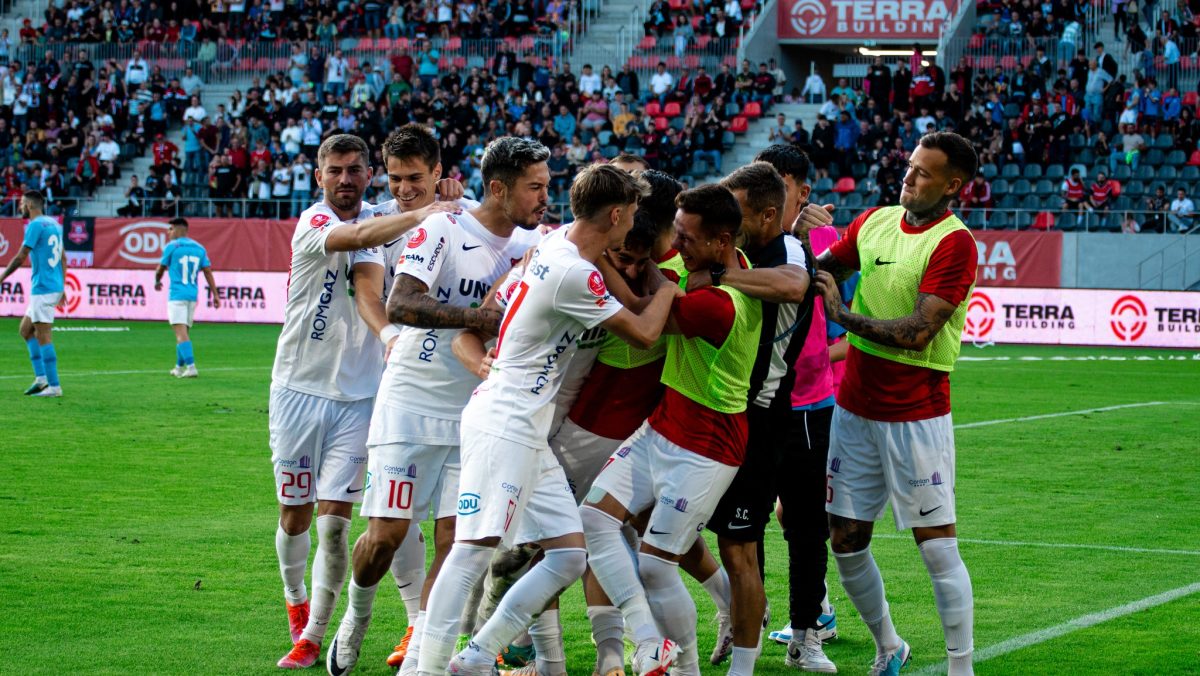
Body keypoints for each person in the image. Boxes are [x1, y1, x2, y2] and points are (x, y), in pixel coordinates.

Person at [418, 164, 680, 676]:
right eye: (632, 216)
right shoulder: (572, 271)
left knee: (568, 555)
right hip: (506, 421)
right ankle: (426, 669)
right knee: (473, 552)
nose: (635, 227)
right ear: (618, 214)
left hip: (527, 428)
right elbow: (646, 334)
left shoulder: (556, 244)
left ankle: (474, 658)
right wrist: (669, 288)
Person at [325, 134, 539, 676]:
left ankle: (420, 652)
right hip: (411, 399)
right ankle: (356, 616)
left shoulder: (531, 247)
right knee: (384, 538)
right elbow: (401, 301)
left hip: (475, 408)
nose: (542, 197)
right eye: (535, 187)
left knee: (456, 540)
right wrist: (476, 318)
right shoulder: (444, 226)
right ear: (501, 188)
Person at [270, 134, 462, 670]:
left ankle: (318, 634)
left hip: (365, 395)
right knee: (294, 516)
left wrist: (441, 200)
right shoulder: (316, 222)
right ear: (319, 176)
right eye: (336, 170)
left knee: (346, 520)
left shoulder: (406, 212)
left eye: (356, 170)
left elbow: (414, 216)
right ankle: (295, 598)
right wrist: (430, 205)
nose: (346, 179)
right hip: (297, 389)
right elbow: (360, 235)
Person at [794, 131, 979, 676]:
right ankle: (888, 645)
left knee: (936, 545)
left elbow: (919, 331)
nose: (909, 176)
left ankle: (960, 666)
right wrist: (792, 238)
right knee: (846, 538)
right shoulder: (874, 221)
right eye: (910, 166)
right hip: (853, 409)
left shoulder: (954, 242)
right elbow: (818, 272)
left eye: (924, 172)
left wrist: (842, 315)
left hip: (916, 413)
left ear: (952, 185)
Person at [583, 184, 763, 676]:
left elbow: (646, 318)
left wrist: (588, 259)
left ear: (721, 241)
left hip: (706, 449)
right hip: (662, 428)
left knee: (657, 566)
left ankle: (685, 669)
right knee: (594, 518)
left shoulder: (722, 304)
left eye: (685, 237)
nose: (675, 246)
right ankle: (649, 640)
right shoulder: (724, 264)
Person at [699, 162, 811, 676]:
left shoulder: (785, 249)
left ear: (768, 214)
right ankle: (735, 605)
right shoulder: (735, 244)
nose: (727, 221)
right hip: (714, 409)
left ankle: (767, 649)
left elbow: (794, 285)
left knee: (743, 540)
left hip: (762, 417)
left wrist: (720, 275)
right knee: (661, 528)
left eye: (737, 211)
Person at [0, 191, 64, 397]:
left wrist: (1, 277)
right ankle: (41, 379)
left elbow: (20, 257)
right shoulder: (54, 224)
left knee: (43, 336)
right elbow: (63, 257)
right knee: (25, 330)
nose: (19, 206)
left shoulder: (35, 225)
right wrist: (62, 287)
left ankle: (54, 387)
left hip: (43, 289)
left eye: (21, 203)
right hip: (51, 286)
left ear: (28, 204)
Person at [153, 218, 220, 378]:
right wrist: (215, 294)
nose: (168, 233)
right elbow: (208, 272)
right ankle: (178, 367)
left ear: (177, 229)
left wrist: (157, 280)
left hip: (176, 295)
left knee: (180, 334)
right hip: (192, 295)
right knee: (184, 333)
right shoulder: (199, 248)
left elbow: (160, 269)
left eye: (170, 229)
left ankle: (191, 367)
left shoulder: (172, 247)